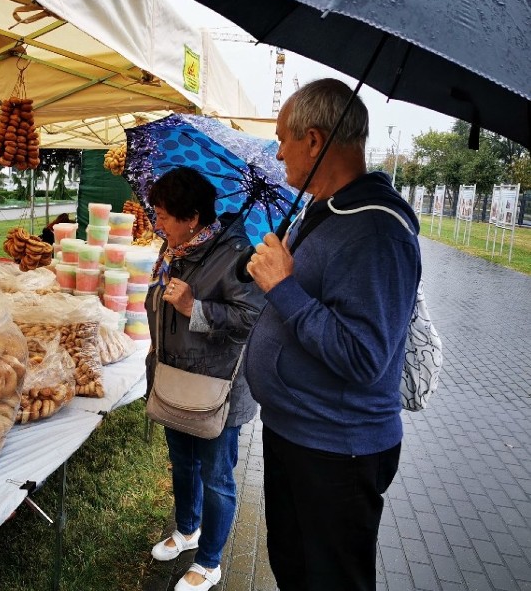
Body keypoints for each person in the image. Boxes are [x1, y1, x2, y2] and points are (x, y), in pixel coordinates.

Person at [244, 79, 421, 590]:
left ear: (315, 141)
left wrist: (284, 286)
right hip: (296, 433)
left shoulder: (378, 230)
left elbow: (365, 356)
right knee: (295, 571)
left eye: (283, 139)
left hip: (336, 451)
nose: (278, 153)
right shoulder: (324, 210)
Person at [145, 167, 263, 591]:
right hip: (174, 377)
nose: (157, 224)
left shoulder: (238, 257)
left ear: (191, 217)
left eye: (162, 215)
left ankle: (210, 560)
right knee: (183, 464)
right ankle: (187, 530)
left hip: (217, 390)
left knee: (216, 476)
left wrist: (195, 307)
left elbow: (253, 318)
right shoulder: (173, 250)